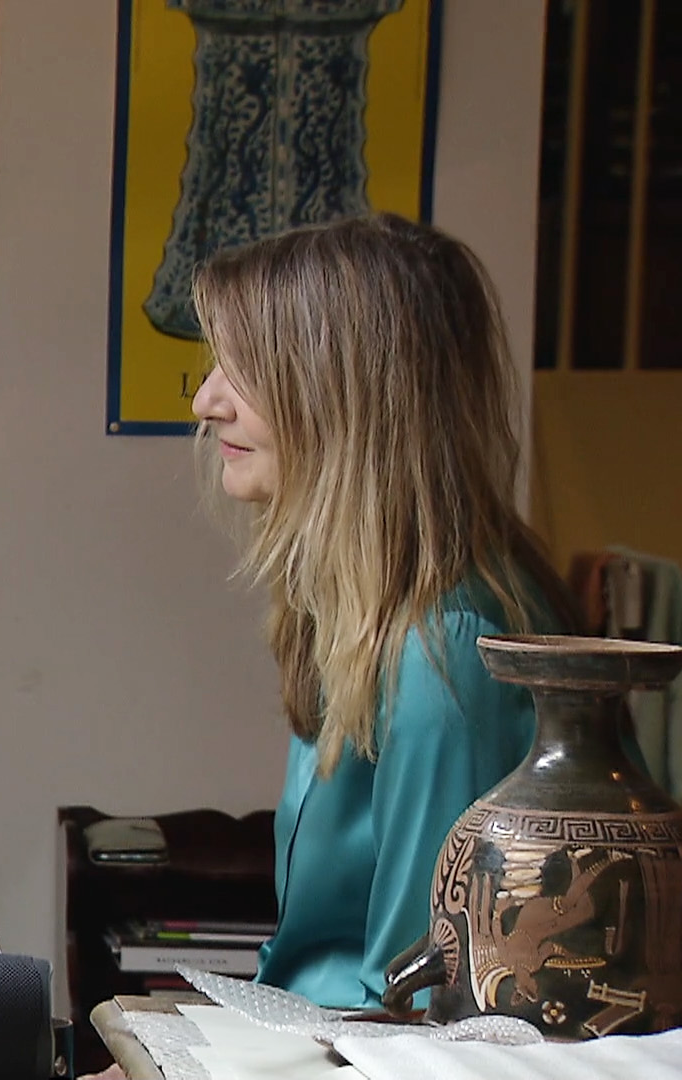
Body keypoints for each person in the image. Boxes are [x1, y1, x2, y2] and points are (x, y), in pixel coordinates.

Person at [188, 213, 574, 1010]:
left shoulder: (447, 651)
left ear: (343, 394)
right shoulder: (366, 610)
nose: (205, 401)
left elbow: (417, 1013)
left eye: (245, 368)